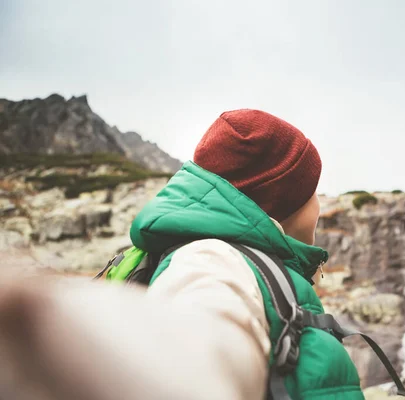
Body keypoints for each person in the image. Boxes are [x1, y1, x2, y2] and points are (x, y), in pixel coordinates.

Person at [0, 110, 369, 400]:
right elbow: (202, 356)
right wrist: (35, 324)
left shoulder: (228, 254)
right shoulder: (212, 258)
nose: (320, 203)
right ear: (284, 202)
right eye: (313, 190)